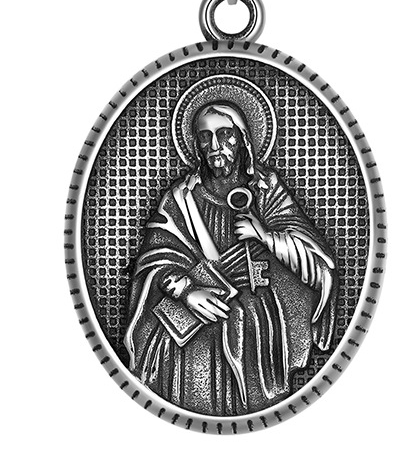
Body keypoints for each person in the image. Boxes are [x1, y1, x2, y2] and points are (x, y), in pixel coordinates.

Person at [125, 101, 338, 415]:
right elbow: (155, 260)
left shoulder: (265, 190)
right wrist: (186, 291)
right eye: (205, 136)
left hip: (254, 325)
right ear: (196, 145)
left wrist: (265, 236)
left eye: (225, 134)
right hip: (195, 327)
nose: (215, 145)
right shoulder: (182, 198)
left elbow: (315, 259)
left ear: (242, 139)